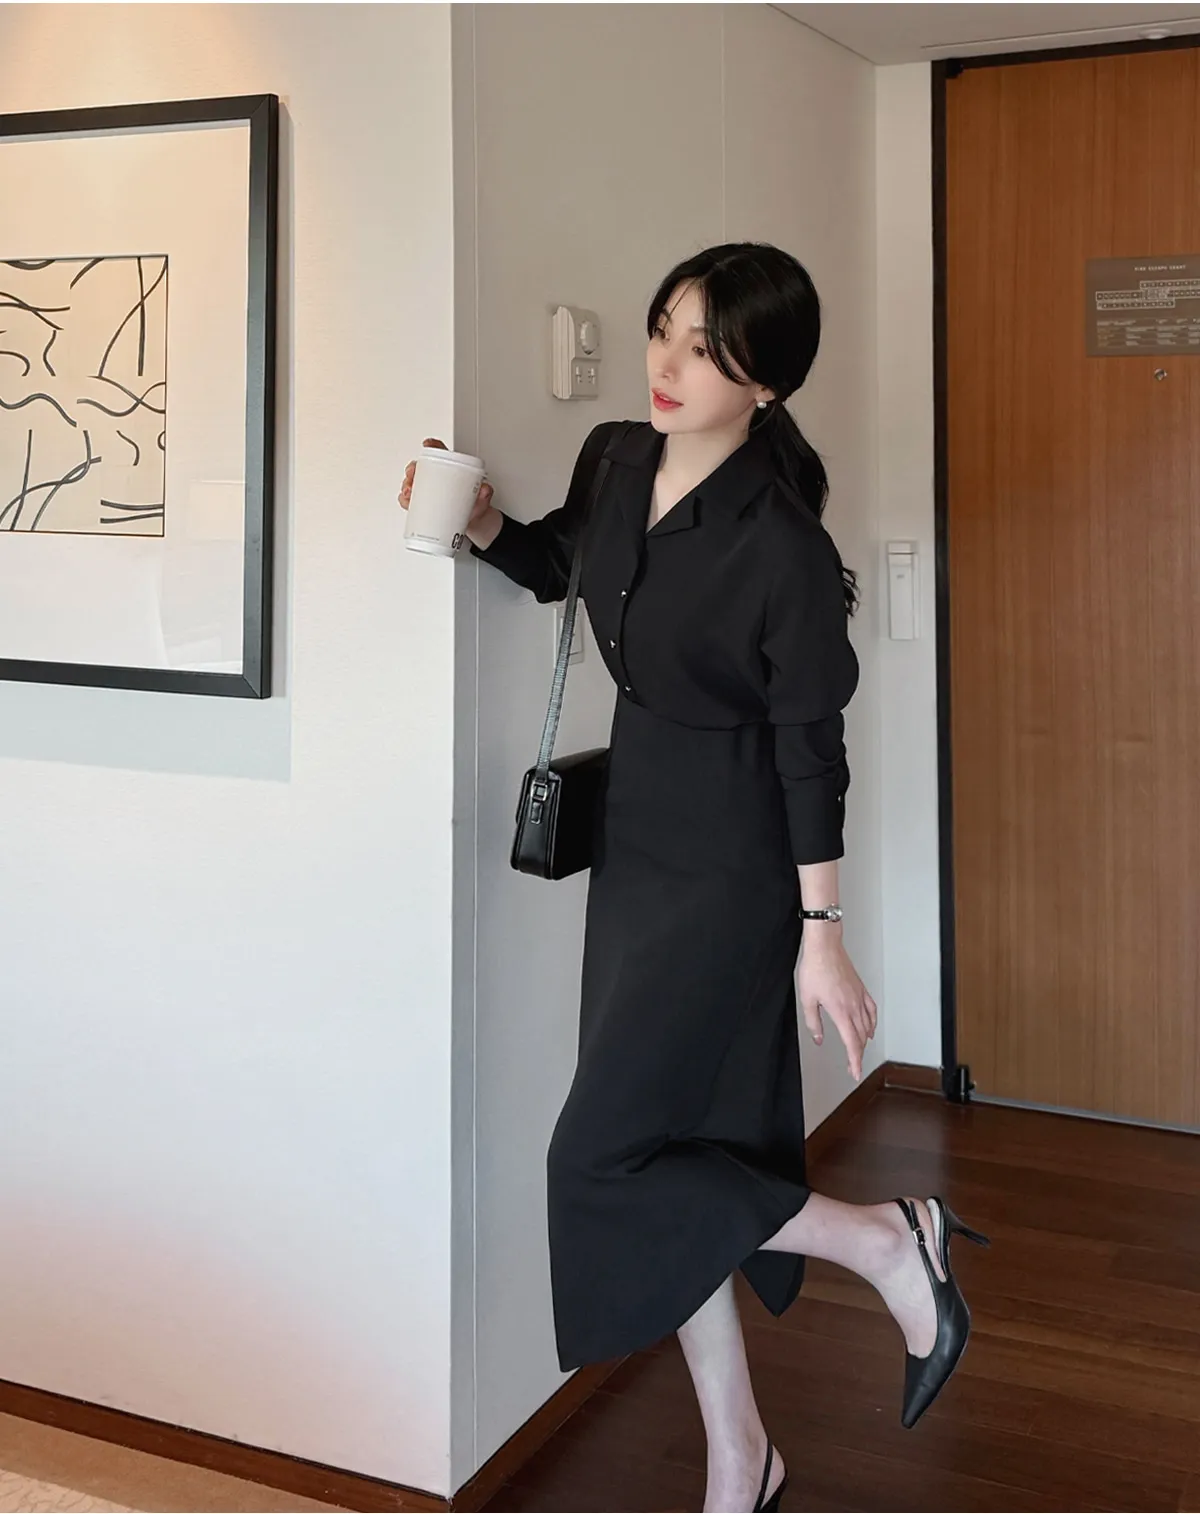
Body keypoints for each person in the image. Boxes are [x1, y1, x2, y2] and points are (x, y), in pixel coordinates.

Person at [400, 242, 988, 1514]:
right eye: (664, 328)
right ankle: (741, 1455)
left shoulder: (780, 544)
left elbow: (811, 749)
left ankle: (888, 1238)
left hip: (733, 868)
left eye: (707, 349)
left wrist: (820, 928)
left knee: (599, 1159)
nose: (669, 364)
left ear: (765, 383)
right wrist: (479, 521)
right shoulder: (619, 456)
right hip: (639, 840)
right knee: (674, 1150)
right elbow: (563, 564)